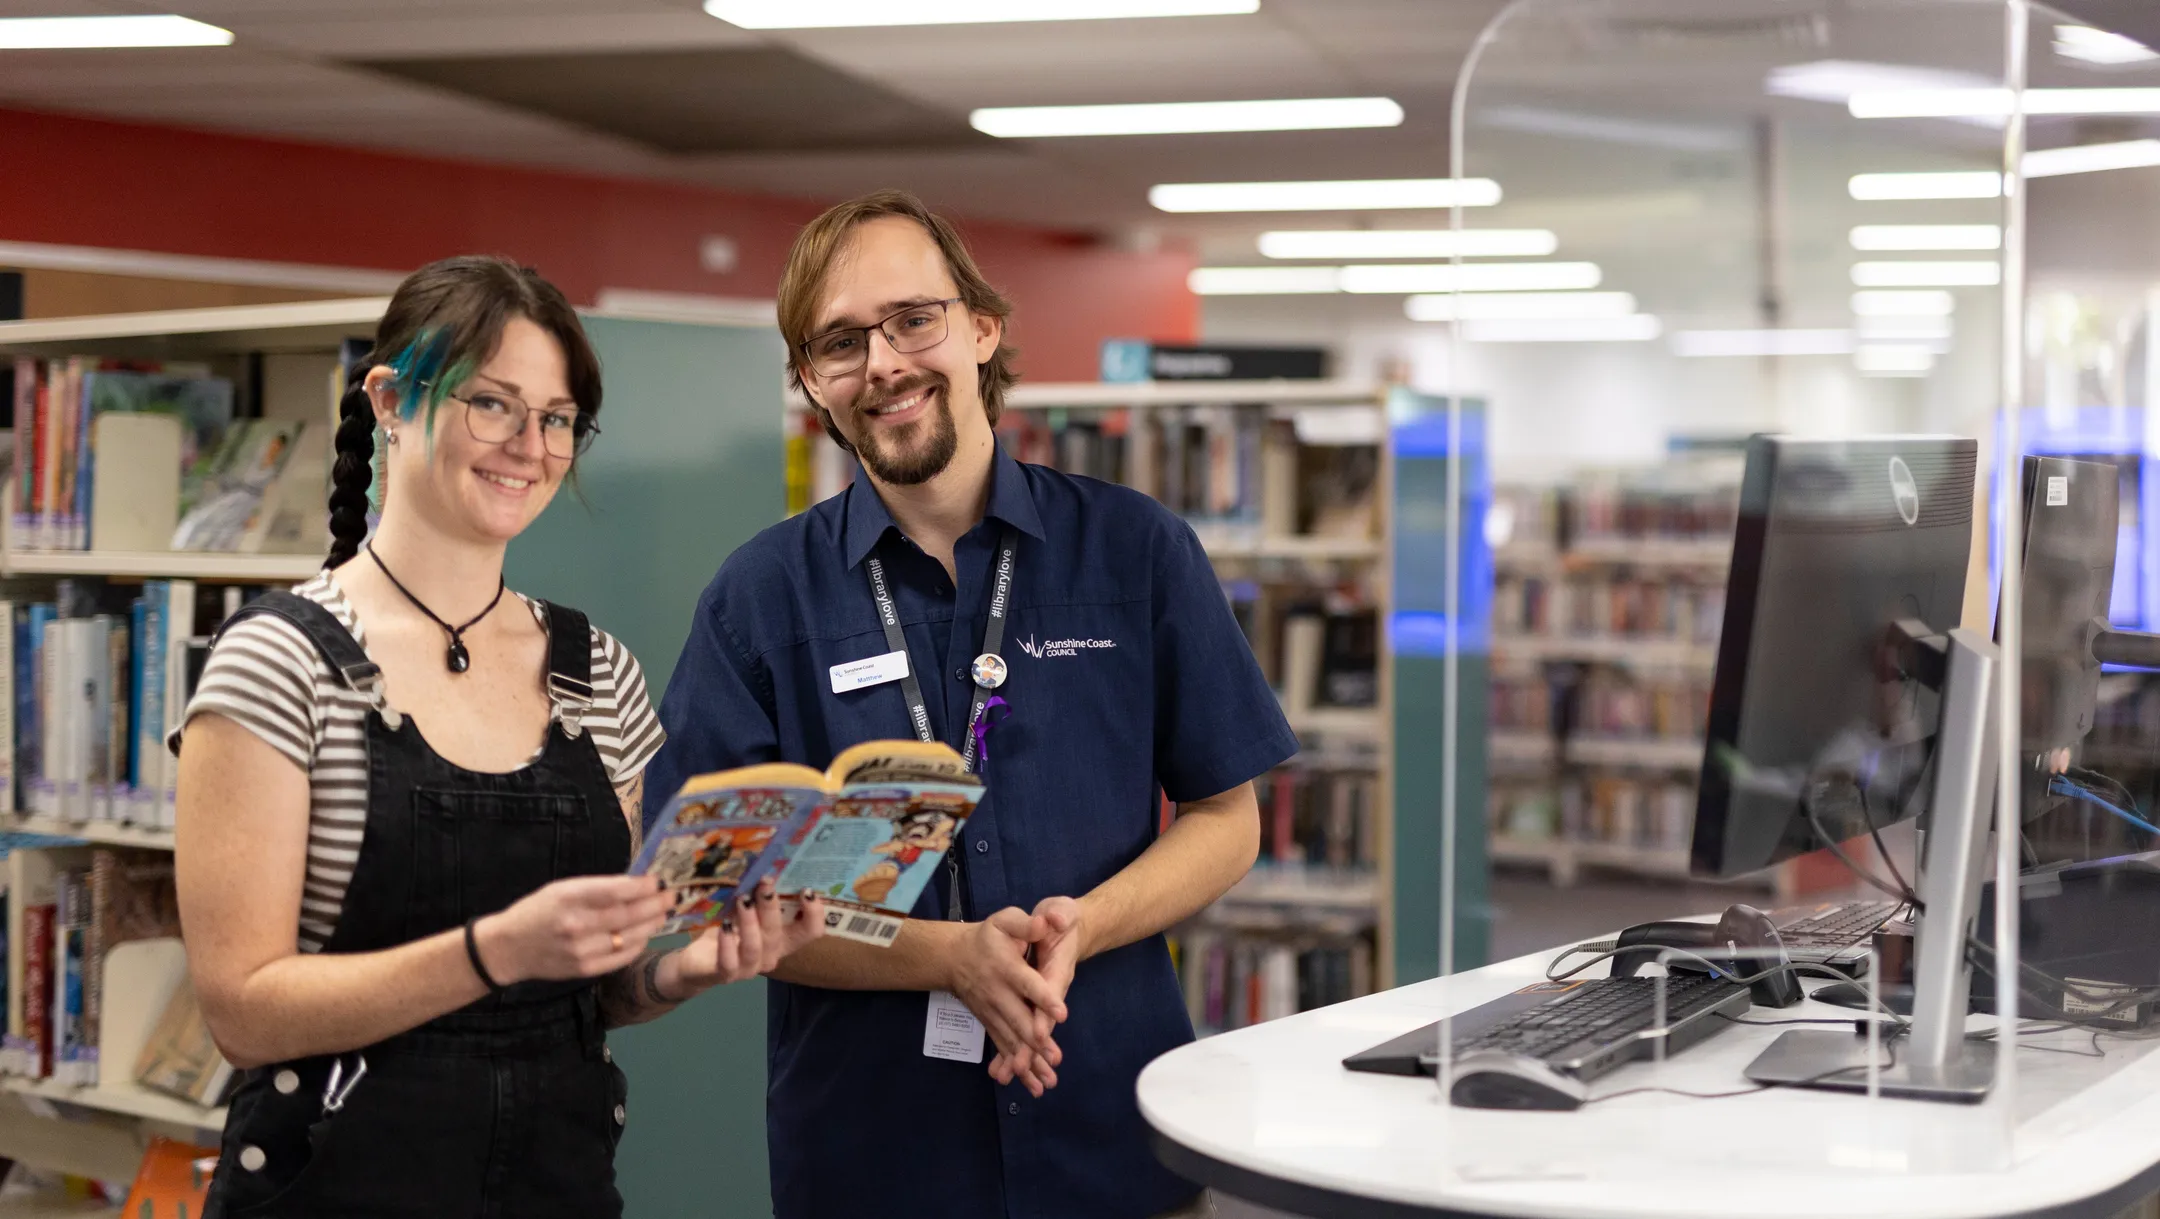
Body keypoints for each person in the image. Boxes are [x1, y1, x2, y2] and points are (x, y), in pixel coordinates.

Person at [646, 190, 1298, 1219]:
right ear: (812, 381)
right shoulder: (760, 595)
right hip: (873, 1151)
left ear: (981, 328)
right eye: (841, 342)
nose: (886, 363)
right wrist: (944, 957)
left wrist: (1080, 925)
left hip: (1115, 1127)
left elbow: (1227, 817)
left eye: (914, 319)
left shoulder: (1136, 551)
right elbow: (717, 886)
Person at [173, 255, 825, 1218]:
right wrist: (494, 950)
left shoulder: (595, 669)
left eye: (557, 418)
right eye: (492, 404)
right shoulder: (278, 662)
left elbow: (597, 991)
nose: (529, 445)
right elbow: (243, 1012)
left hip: (555, 1184)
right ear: (391, 400)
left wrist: (684, 970)